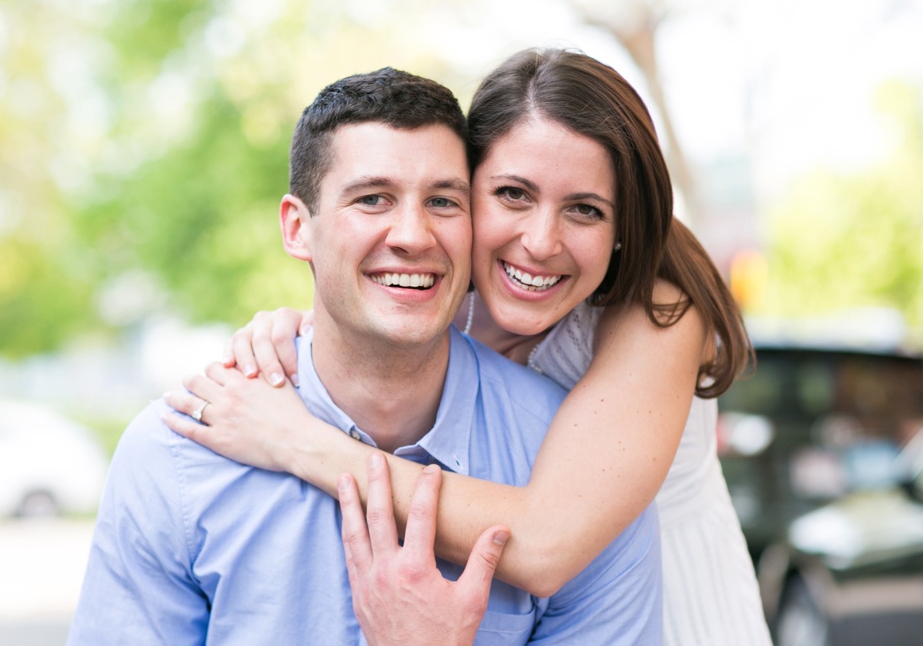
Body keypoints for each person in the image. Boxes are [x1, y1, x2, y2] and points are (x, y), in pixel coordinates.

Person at [165, 47, 773, 645]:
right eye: (513, 194)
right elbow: (357, 306)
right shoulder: (444, 292)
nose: (540, 242)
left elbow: (543, 544)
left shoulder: (659, 311)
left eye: (585, 210)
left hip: (674, 618)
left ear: (623, 229)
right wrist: (295, 332)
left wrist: (296, 442)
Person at [69, 66, 662, 645]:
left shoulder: (578, 474)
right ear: (298, 229)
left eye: (443, 202)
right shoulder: (177, 455)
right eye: (373, 199)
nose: (412, 235)